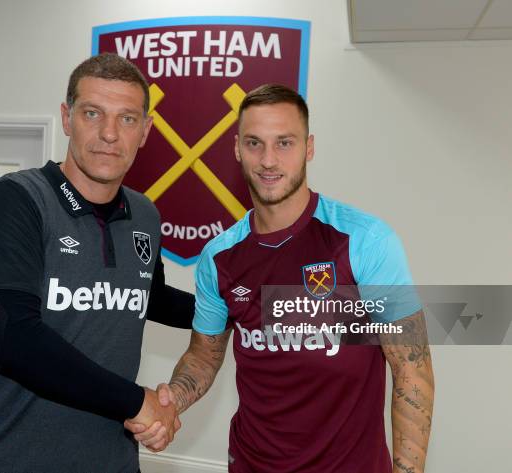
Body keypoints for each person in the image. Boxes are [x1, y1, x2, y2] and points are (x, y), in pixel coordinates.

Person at [127, 84, 435, 472]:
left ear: (308, 148)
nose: (268, 160)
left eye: (284, 143)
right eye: (255, 143)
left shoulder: (364, 241)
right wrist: (170, 400)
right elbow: (205, 356)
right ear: (238, 148)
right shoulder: (219, 257)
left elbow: (412, 370)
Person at [0, 53, 190, 473]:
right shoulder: (17, 199)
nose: (109, 134)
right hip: (9, 458)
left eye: (127, 119)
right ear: (67, 118)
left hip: (111, 460)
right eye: (92, 113)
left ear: (146, 131)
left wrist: (234, 306)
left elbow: (145, 296)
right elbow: (12, 340)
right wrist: (138, 402)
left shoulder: (146, 214)